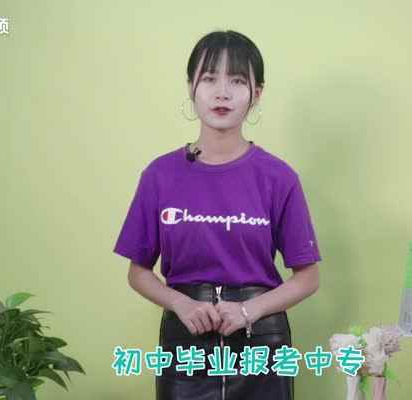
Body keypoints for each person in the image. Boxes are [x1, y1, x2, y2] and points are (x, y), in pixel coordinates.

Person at [113, 29, 322, 400]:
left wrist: (248, 310)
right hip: (186, 343)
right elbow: (138, 272)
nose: (222, 92)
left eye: (237, 81)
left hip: (261, 344)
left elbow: (308, 278)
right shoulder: (160, 175)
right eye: (209, 78)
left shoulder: (279, 177)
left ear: (257, 93)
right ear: (191, 87)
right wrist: (181, 303)